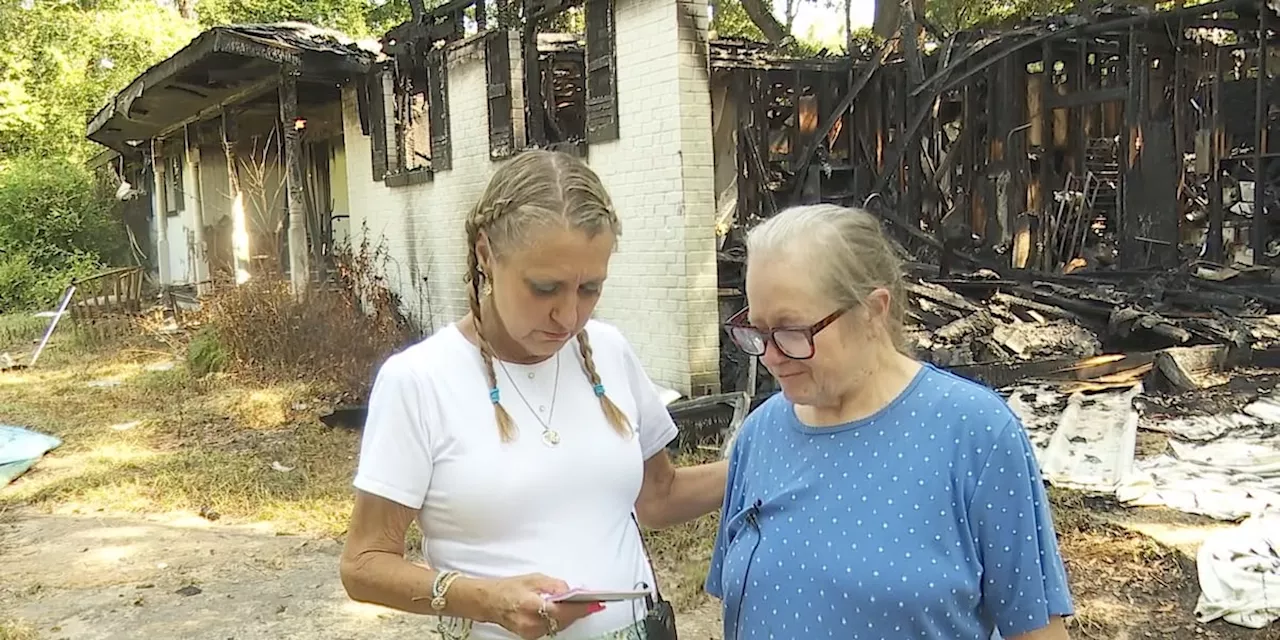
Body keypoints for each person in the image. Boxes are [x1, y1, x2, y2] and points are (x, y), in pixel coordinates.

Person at [339, 149, 728, 640]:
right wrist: (487, 600)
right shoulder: (419, 381)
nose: (568, 316)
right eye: (544, 288)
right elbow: (364, 564)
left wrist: (765, 458)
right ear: (486, 254)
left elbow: (659, 496)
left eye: (590, 288)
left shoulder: (610, 352)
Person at [705, 204, 1074, 640]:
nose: (770, 355)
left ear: (873, 312)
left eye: (792, 330)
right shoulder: (760, 434)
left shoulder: (976, 434)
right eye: (757, 329)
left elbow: (1035, 630)